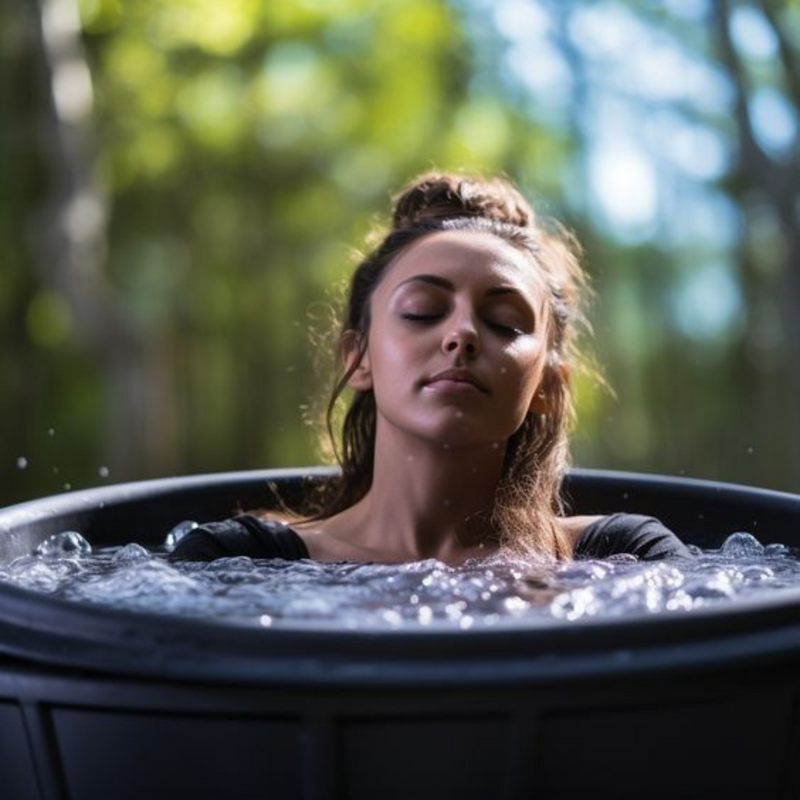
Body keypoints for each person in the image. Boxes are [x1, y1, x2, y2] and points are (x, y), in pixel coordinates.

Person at [172, 172, 692, 566]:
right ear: (358, 358)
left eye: (505, 323)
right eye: (422, 310)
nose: (462, 334)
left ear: (549, 390)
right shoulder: (241, 562)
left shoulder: (623, 560)